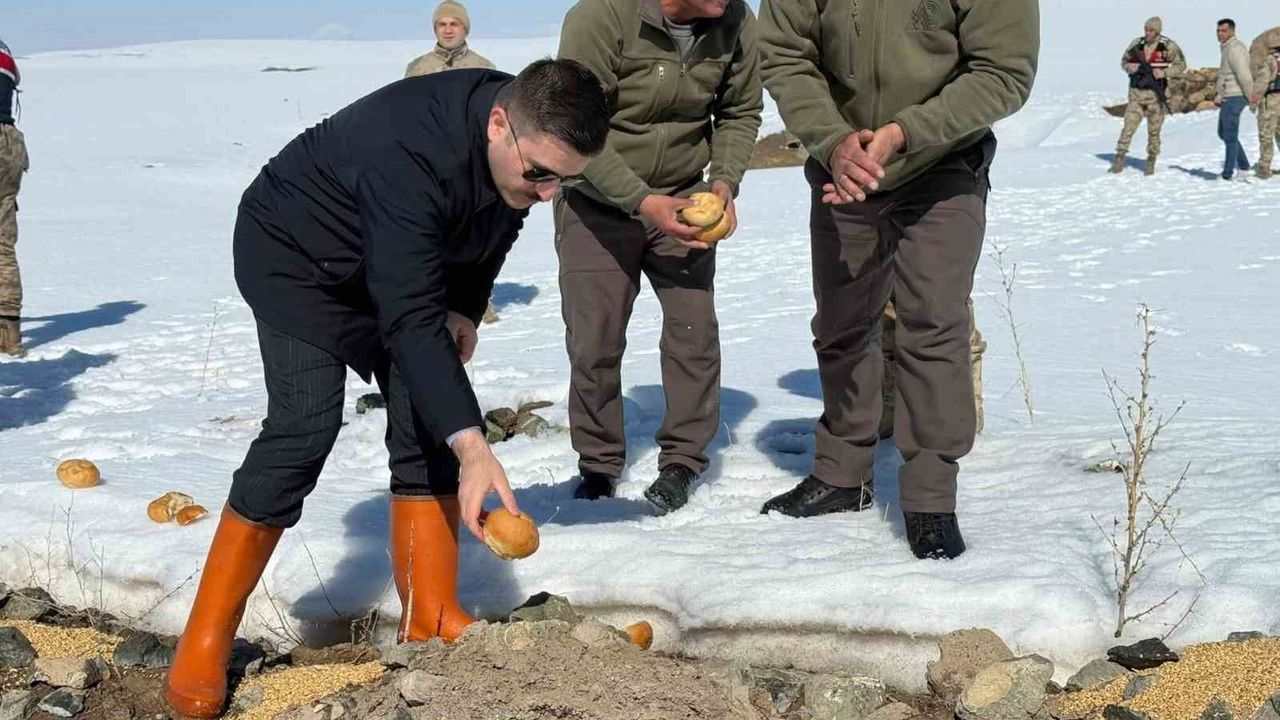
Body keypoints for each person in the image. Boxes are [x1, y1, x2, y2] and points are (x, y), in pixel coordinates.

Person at [163, 60, 609, 718]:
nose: (548, 195)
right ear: (498, 125)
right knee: (303, 429)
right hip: (299, 258)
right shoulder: (409, 152)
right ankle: (205, 638)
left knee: (428, 419)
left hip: (397, 263)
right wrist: (474, 446)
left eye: (564, 181)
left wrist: (464, 304)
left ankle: (431, 614)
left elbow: (498, 222)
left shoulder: (518, 137)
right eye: (540, 173)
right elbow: (407, 318)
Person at [757, 0, 1039, 559]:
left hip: (944, 163)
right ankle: (842, 475)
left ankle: (930, 499)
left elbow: (1004, 72)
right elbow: (785, 55)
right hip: (842, 166)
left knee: (932, 323)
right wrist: (833, 141)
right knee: (841, 323)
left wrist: (904, 133)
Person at [554, 0, 762, 513]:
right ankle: (598, 464)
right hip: (596, 203)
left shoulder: (736, 19)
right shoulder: (599, 17)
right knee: (595, 339)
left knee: (694, 332)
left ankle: (683, 461)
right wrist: (642, 201)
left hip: (685, 196)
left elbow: (739, 111)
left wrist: (724, 182)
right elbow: (574, 125)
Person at [1110, 17, 1187, 176]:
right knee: (1128, 128)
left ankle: (1151, 160)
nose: (1148, 33)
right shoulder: (1136, 44)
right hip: (1136, 94)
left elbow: (1181, 65)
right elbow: (1124, 61)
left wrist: (1164, 72)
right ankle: (1119, 158)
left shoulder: (1168, 46)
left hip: (1155, 97)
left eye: (1151, 30)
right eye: (1146, 29)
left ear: (1158, 31)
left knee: (1154, 131)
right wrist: (1128, 67)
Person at [0, 37, 27, 357]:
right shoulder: (4, 51)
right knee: (3, 243)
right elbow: (14, 78)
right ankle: (9, 333)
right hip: (10, 145)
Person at [405, 1, 495, 77]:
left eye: (454, 24)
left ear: (465, 29)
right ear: (435, 30)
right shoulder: (416, 68)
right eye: (442, 24)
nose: (448, 30)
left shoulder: (484, 68)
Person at [1216, 18, 1255, 180]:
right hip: (1228, 96)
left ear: (1232, 31)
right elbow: (1225, 74)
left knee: (1230, 135)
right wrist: (1219, 93)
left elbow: (1244, 76)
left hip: (1236, 96)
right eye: (1218, 31)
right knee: (1223, 133)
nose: (1220, 34)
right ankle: (1244, 165)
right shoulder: (1226, 48)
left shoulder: (1236, 49)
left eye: (1224, 31)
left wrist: (1251, 97)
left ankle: (1227, 174)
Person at [1250, 39, 1280, 179]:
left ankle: (1264, 168)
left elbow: (1262, 81)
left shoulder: (1270, 61)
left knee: (1266, 134)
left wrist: (1254, 101)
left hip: (1271, 101)